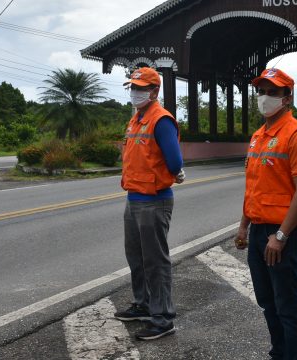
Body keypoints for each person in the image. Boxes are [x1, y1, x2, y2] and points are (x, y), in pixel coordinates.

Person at [234, 68, 297, 360]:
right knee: (267, 301)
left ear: (287, 97)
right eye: (261, 91)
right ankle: (279, 352)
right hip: (258, 231)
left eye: (273, 92)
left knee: (287, 305)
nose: (265, 97)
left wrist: (280, 236)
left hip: (282, 234)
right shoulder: (258, 136)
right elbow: (253, 186)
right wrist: (244, 226)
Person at [114, 67, 185, 341]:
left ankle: (163, 317)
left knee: (155, 261)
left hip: (154, 201)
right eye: (133, 87)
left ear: (154, 92)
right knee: (136, 257)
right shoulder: (136, 119)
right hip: (134, 198)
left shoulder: (161, 120)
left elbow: (175, 161)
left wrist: (173, 172)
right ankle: (143, 304)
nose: (135, 92)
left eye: (141, 88)